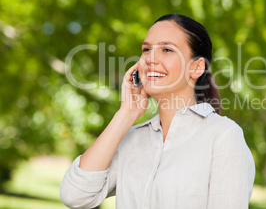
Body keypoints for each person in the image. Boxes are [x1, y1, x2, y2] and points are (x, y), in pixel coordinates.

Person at [60, 13, 255, 209]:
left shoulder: (223, 136)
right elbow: (75, 195)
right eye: (146, 49)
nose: (150, 59)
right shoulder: (133, 139)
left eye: (167, 49)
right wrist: (126, 113)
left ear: (196, 68)